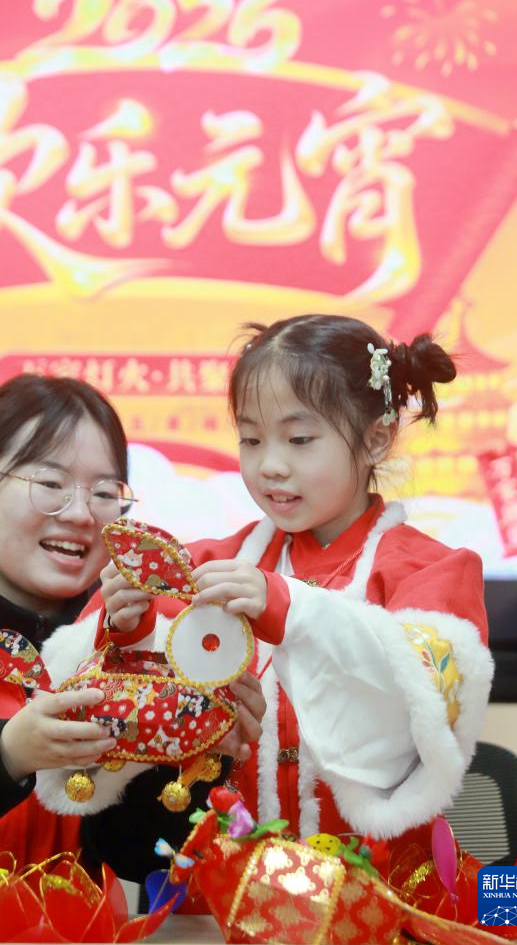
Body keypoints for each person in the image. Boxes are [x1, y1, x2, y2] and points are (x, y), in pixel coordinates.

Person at [70, 314, 493, 875]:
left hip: (381, 893)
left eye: (299, 440)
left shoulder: (434, 571)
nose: (269, 465)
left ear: (377, 438)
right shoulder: (208, 565)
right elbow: (88, 698)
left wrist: (290, 608)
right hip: (228, 893)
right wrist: (131, 633)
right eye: (250, 439)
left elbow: (420, 708)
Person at [0, 373, 264, 911]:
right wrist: (8, 754)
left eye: (104, 493)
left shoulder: (147, 653)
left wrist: (195, 754)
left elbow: (140, 858)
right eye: (50, 484)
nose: (79, 514)